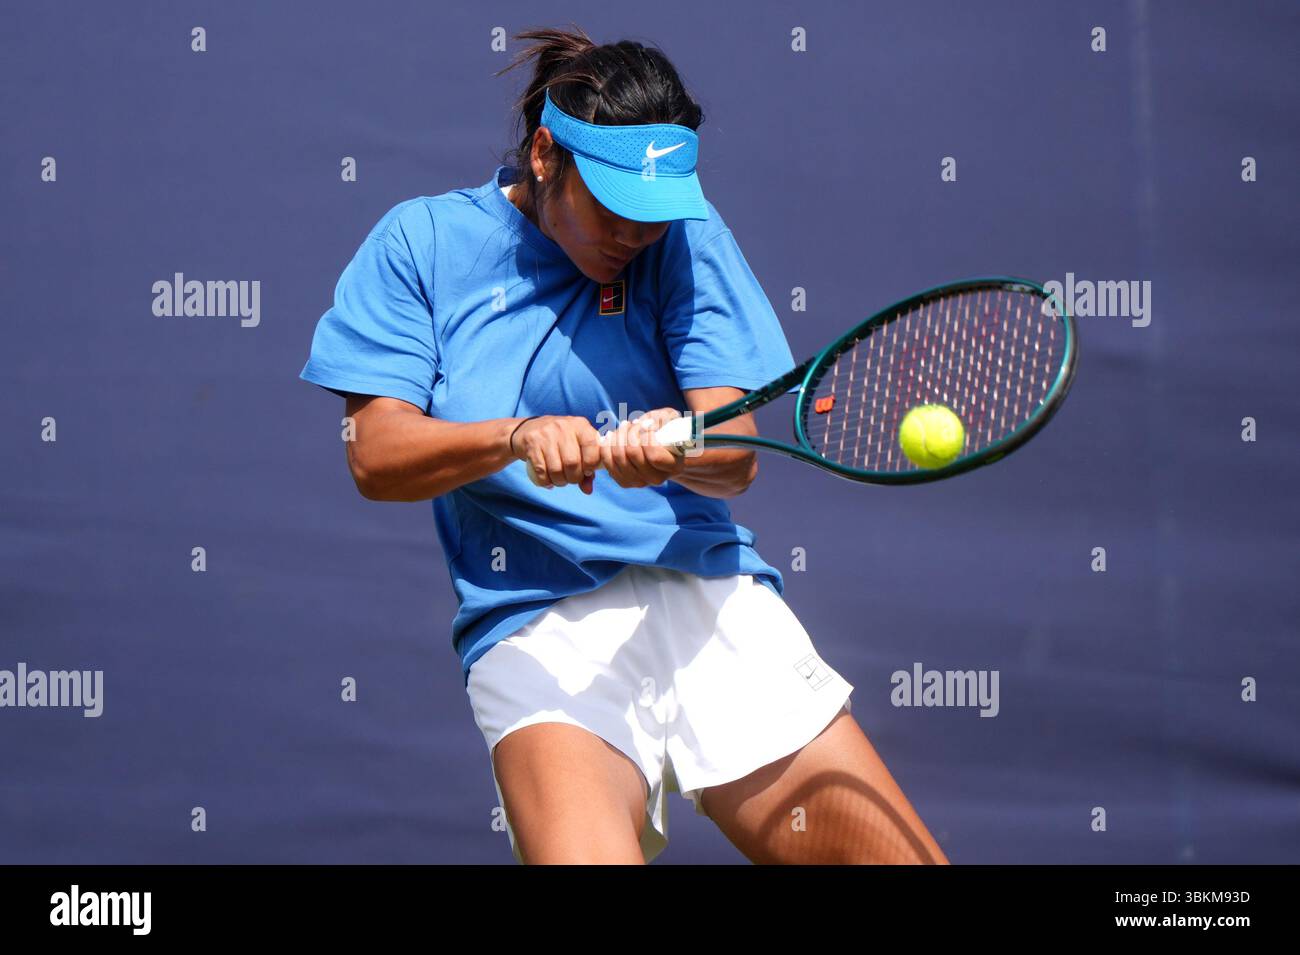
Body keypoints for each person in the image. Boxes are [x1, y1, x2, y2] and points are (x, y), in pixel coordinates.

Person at [301, 25, 949, 865]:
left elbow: (735, 455)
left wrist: (678, 444)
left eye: (653, 217)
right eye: (613, 209)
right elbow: (375, 453)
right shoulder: (419, 244)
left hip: (705, 593)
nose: (633, 236)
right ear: (545, 155)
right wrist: (515, 436)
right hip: (536, 624)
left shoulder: (684, 235)